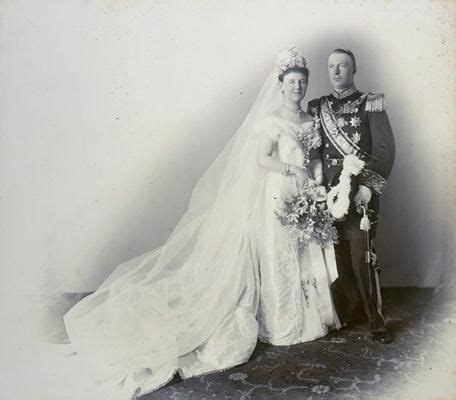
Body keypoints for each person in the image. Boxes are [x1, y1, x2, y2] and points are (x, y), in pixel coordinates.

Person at [62, 46, 339, 399]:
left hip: (305, 191)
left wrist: (314, 180)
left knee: (303, 252)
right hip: (277, 192)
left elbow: (314, 155)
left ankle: (308, 322)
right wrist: (292, 170)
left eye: (302, 82)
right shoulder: (270, 121)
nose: (297, 88)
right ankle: (282, 323)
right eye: (291, 82)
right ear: (281, 85)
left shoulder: (310, 120)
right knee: (279, 254)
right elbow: (262, 159)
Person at [307, 49, 395, 344]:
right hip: (329, 195)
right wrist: (318, 185)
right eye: (331, 66)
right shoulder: (319, 108)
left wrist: (368, 187)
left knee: (361, 258)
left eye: (342, 66)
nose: (336, 71)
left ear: (353, 69)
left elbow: (384, 151)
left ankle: (375, 319)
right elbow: (315, 152)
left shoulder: (370, 104)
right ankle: (349, 311)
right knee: (337, 258)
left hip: (360, 195)